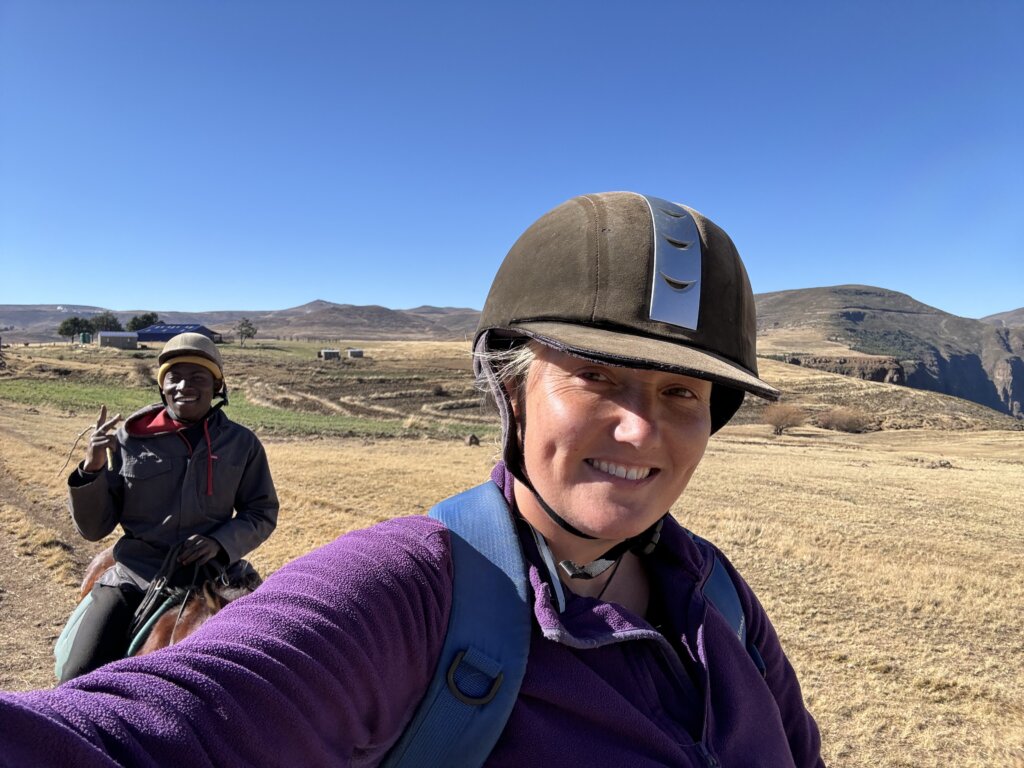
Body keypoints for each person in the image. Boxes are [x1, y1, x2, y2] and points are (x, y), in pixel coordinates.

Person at [1, 193, 821, 766]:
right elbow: (138, 736)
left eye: (682, 392)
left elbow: (260, 511)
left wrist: (218, 542)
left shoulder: (721, 598)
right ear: (509, 391)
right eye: (598, 378)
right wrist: (92, 483)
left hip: (211, 563)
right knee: (90, 650)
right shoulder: (404, 592)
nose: (642, 428)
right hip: (142, 562)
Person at [55, 332, 280, 681]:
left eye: (198, 377)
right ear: (162, 387)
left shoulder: (242, 444)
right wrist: (93, 467)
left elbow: (261, 512)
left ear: (217, 386)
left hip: (214, 571)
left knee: (270, 660)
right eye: (174, 377)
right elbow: (94, 527)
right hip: (137, 572)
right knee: (77, 672)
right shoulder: (131, 440)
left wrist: (221, 542)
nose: (184, 386)